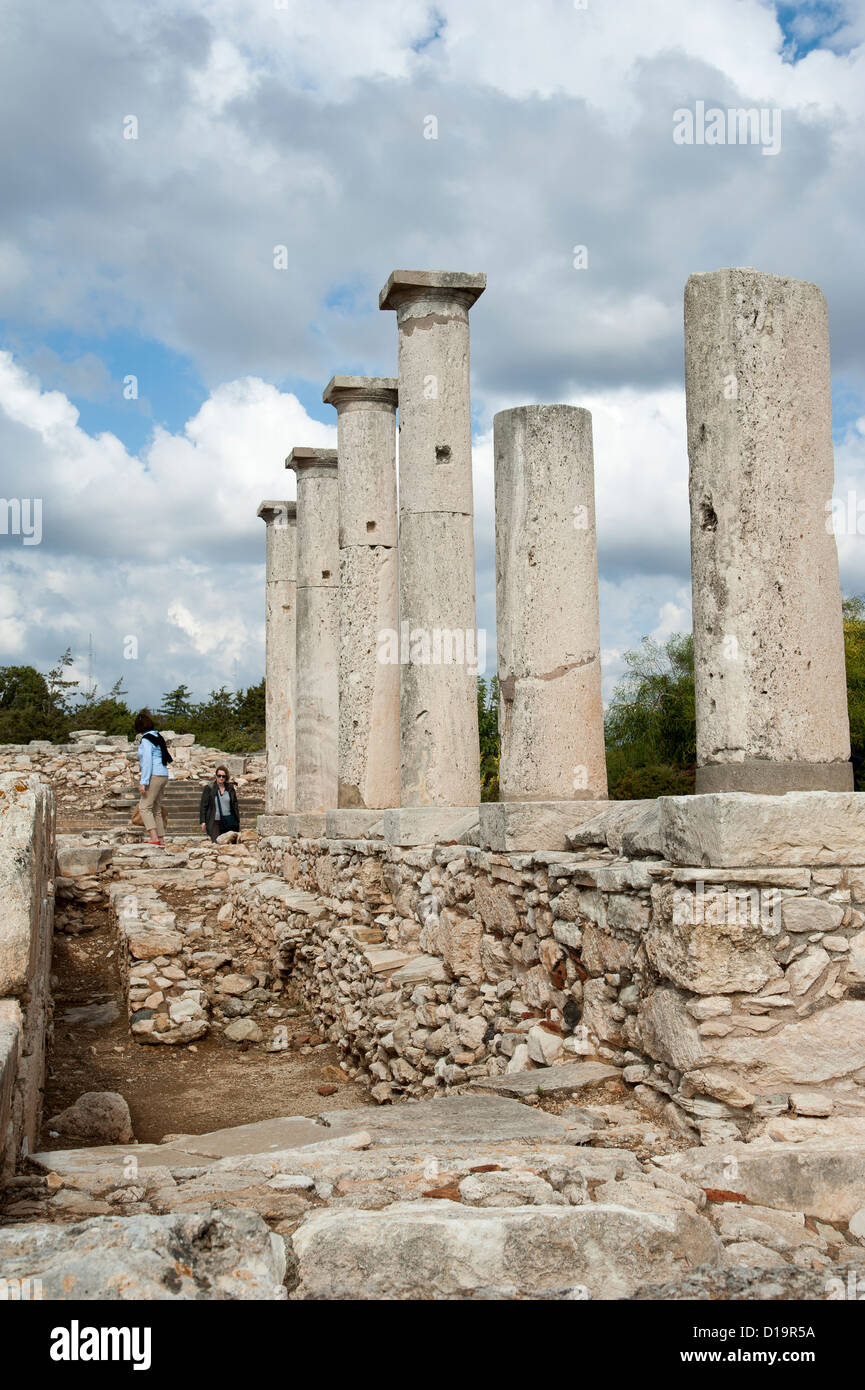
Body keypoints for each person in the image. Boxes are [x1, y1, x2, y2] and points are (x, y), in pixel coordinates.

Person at [134, 709, 173, 846]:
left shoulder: (146, 740)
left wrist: (143, 782)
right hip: (163, 773)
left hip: (154, 775)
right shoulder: (157, 736)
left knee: (144, 806)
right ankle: (161, 839)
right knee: (156, 808)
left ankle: (154, 837)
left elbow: (147, 761)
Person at [200, 765, 240, 842]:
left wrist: (237, 820)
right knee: (216, 843)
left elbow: (235, 805)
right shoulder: (209, 788)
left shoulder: (230, 788)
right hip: (215, 821)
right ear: (216, 776)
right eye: (219, 776)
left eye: (223, 776)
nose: (221, 778)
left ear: (226, 777)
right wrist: (203, 822)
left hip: (229, 821)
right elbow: (203, 806)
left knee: (229, 844)